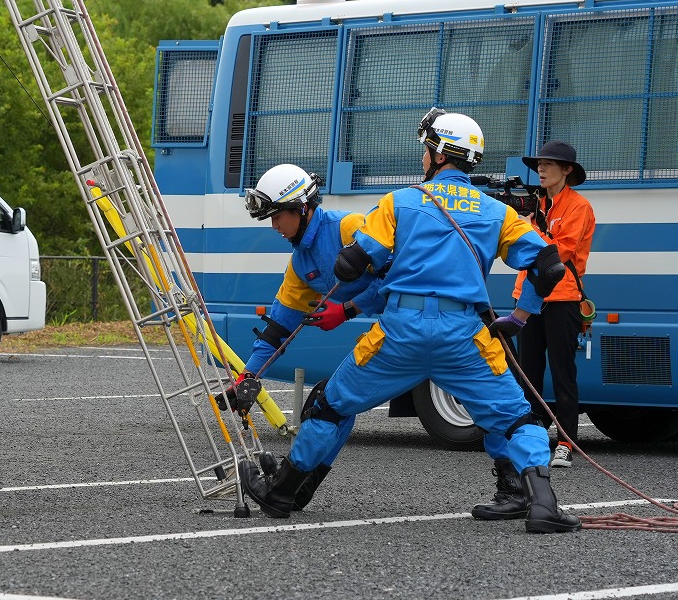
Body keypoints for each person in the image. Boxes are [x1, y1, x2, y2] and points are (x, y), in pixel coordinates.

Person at [241, 109, 581, 534]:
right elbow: (548, 267)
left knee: (331, 405)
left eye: (426, 148)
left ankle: (282, 490)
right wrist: (519, 315)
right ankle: (542, 504)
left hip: (400, 331)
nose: (423, 156)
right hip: (466, 334)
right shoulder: (498, 212)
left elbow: (357, 260)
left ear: (437, 154)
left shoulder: (399, 201)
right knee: (517, 418)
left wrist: (347, 289)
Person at [235, 163, 385, 509]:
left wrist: (348, 309)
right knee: (331, 402)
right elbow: (278, 328)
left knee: (330, 402)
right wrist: (247, 376)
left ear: (301, 208)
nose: (274, 227)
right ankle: (296, 490)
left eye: (277, 217)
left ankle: (286, 491)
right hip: (393, 331)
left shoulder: (348, 228)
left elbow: (400, 276)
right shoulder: (300, 263)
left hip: (409, 325)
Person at [511, 141, 595, 469]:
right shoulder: (534, 206)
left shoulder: (579, 206)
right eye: (540, 164)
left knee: (563, 375)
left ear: (567, 170)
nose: (541, 169)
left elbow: (562, 252)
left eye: (549, 164)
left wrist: (530, 235)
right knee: (528, 375)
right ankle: (530, 439)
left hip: (563, 299)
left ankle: (565, 443)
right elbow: (517, 246)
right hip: (527, 297)